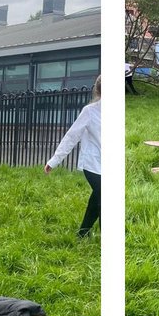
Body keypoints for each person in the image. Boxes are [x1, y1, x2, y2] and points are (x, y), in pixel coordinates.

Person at [45, 76, 102, 239]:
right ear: (100, 91)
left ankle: (83, 233)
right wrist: (55, 160)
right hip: (93, 163)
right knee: (104, 194)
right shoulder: (90, 111)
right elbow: (72, 136)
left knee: (99, 196)